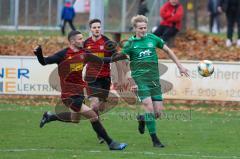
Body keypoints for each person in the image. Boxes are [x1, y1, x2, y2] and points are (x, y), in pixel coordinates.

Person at [33, 30, 127, 150]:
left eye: (82, 38)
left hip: (79, 91)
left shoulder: (84, 53)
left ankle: (50, 116)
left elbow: (101, 60)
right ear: (72, 41)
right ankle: (111, 143)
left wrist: (117, 58)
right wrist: (39, 53)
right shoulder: (63, 54)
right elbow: (44, 62)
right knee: (93, 116)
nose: (82, 40)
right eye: (79, 39)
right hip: (68, 94)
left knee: (74, 119)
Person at [120, 15, 189, 148]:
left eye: (145, 27)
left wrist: (180, 66)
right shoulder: (130, 44)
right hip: (140, 80)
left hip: (154, 80)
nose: (143, 30)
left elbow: (168, 50)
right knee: (149, 107)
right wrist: (131, 81)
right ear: (134, 29)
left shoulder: (153, 38)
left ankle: (143, 119)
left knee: (157, 113)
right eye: (140, 28)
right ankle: (155, 140)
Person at [83, 18, 121, 144]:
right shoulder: (86, 43)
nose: (96, 29)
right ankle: (100, 133)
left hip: (105, 77)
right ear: (90, 29)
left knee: (101, 106)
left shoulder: (107, 42)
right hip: (91, 78)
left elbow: (116, 57)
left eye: (98, 27)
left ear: (101, 28)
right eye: (94, 27)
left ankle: (98, 126)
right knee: (93, 106)